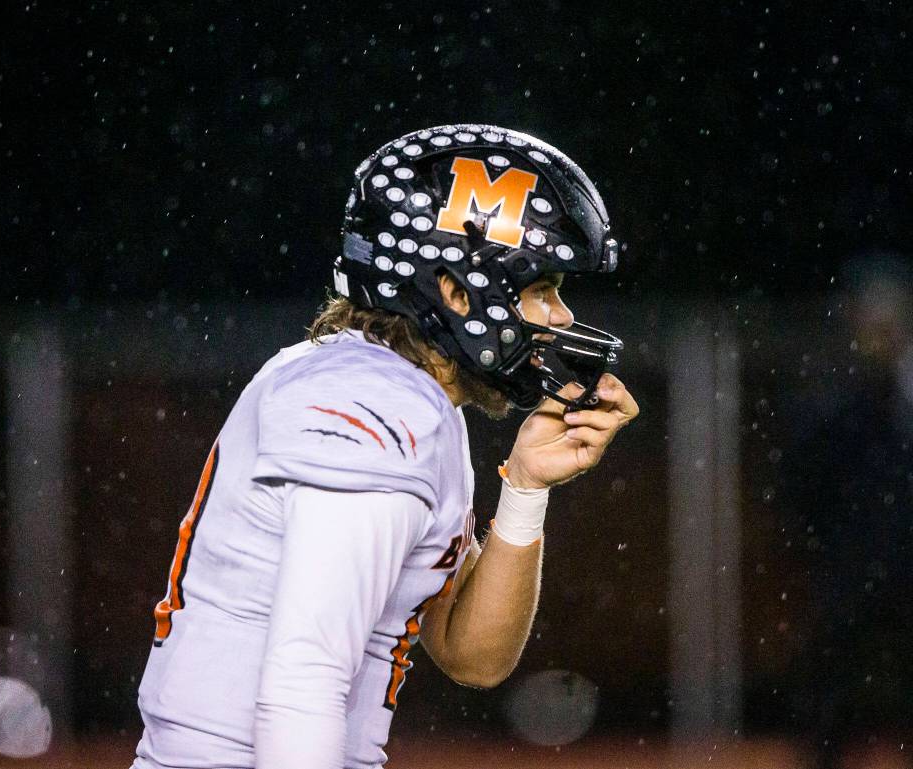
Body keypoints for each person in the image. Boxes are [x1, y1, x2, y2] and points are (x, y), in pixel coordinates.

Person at [132, 124, 639, 769]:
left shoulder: (403, 394)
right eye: (542, 291)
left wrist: (525, 487)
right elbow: (302, 679)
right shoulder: (375, 404)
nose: (561, 317)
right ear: (457, 291)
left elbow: (472, 654)